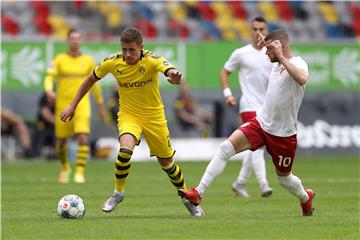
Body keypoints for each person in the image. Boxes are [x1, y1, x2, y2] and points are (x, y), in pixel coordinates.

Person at [60, 26, 204, 216]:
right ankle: (118, 193)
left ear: (141, 47)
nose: (127, 54)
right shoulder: (112, 62)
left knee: (167, 164)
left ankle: (188, 198)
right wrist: (73, 105)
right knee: (125, 150)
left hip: (154, 117)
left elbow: (169, 70)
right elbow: (90, 80)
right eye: (124, 49)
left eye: (132, 50)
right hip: (129, 115)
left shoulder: (152, 60)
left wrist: (175, 78)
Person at [179, 29, 315, 217]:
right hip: (261, 124)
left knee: (284, 179)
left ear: (279, 47)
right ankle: (197, 193)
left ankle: (305, 198)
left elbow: (301, 79)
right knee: (225, 148)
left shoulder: (298, 63)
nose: (266, 55)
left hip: (284, 134)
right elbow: (265, 56)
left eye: (269, 50)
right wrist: (265, 43)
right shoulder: (274, 63)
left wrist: (281, 56)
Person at [219, 16, 273, 197]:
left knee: (255, 145)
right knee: (258, 146)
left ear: (267, 31)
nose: (258, 32)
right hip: (248, 105)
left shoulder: (272, 54)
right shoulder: (241, 53)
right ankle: (263, 184)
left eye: (262, 29)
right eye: (255, 29)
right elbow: (224, 72)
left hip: (267, 107)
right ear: (250, 31)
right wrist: (228, 94)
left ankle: (240, 183)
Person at [44, 28, 105, 184]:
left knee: (83, 136)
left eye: (78, 38)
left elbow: (95, 84)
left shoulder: (88, 60)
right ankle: (65, 167)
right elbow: (49, 77)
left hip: (82, 104)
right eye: (72, 38)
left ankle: (79, 172)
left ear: (81, 40)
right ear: (68, 40)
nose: (75, 41)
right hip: (62, 104)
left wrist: (100, 104)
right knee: (61, 141)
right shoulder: (59, 59)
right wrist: (49, 91)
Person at [30, 92, 56, 159]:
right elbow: (44, 113)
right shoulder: (44, 98)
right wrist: (56, 121)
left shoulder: (60, 98)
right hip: (43, 125)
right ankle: (35, 153)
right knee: (39, 131)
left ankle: (57, 153)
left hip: (54, 126)